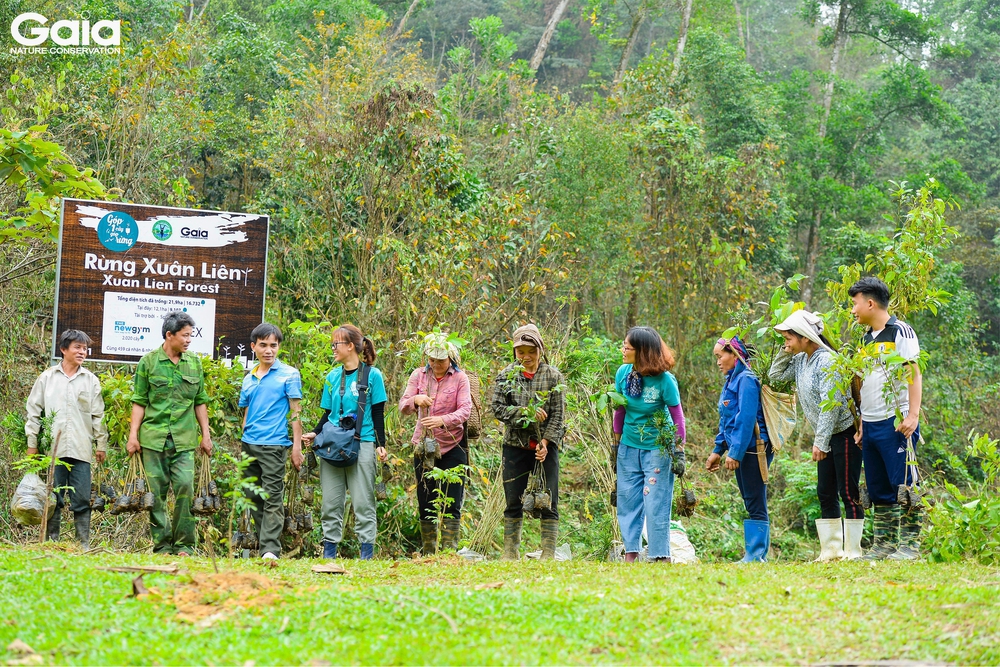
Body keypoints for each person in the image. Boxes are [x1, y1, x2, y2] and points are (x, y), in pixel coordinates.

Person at [769, 310, 862, 560]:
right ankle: (831, 551)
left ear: (806, 337)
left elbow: (830, 405)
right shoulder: (801, 361)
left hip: (843, 434)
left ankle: (853, 551)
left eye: (789, 337)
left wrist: (820, 443)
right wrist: (784, 351)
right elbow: (774, 376)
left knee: (848, 492)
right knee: (825, 490)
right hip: (827, 436)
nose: (786, 342)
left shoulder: (827, 361)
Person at [849, 277, 924, 560]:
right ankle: (883, 544)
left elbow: (913, 372)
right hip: (870, 423)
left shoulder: (900, 332)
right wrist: (860, 425)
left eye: (855, 304)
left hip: (897, 421)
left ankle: (910, 546)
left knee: (904, 482)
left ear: (870, 302)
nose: (853, 310)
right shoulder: (865, 339)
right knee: (879, 486)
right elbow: (863, 382)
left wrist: (913, 414)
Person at [127, 312, 213, 556]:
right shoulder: (149, 362)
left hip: (184, 440)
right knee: (156, 495)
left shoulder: (194, 363)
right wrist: (133, 436)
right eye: (185, 335)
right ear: (169, 335)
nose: (189, 340)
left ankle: (184, 545)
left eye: (191, 335)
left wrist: (205, 435)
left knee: (185, 487)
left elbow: (200, 401)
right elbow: (139, 401)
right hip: (153, 439)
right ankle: (163, 545)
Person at [302, 324, 388, 560]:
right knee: (331, 502)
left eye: (336, 344)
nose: (333, 348)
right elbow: (327, 414)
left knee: (363, 502)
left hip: (363, 442)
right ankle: (329, 553)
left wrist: (381, 444)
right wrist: (314, 433)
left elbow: (378, 412)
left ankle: (366, 554)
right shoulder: (332, 377)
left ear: (350, 346)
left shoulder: (373, 376)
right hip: (332, 443)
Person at [25, 330, 109, 549]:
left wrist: (101, 444)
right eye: (77, 347)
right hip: (54, 449)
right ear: (63, 349)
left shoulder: (90, 380)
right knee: (54, 496)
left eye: (84, 348)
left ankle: (83, 544)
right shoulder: (47, 378)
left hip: (81, 448)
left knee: (81, 497)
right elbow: (33, 412)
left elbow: (98, 415)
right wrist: (32, 444)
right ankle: (52, 541)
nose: (82, 352)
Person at [490, 324, 565, 560]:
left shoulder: (553, 376)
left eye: (530, 351)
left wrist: (545, 442)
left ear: (540, 350)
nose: (526, 357)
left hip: (546, 448)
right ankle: (510, 552)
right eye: (520, 351)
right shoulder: (506, 376)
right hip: (515, 446)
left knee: (549, 498)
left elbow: (558, 415)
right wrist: (525, 412)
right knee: (513, 499)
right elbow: (498, 409)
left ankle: (548, 553)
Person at [612, 326, 686, 563]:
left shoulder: (664, 381)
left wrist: (678, 451)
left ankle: (659, 555)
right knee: (628, 500)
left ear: (642, 351)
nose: (623, 350)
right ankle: (631, 553)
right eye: (624, 345)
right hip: (629, 445)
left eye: (628, 347)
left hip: (657, 448)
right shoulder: (623, 374)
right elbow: (620, 410)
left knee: (655, 500)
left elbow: (678, 418)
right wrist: (616, 445)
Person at [399, 332, 472, 554]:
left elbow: (465, 410)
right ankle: (429, 550)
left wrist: (443, 420)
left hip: (453, 444)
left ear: (450, 358)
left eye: (441, 360)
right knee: (426, 499)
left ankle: (449, 550)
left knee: (452, 500)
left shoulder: (460, 378)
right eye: (432, 360)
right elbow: (402, 406)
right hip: (423, 445)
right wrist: (415, 400)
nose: (436, 364)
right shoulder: (418, 375)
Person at [239, 323, 304, 560]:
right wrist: (244, 434)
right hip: (249, 444)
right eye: (263, 345)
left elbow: (295, 412)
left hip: (275, 444)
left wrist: (296, 447)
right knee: (252, 495)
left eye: (273, 345)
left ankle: (269, 550)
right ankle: (264, 542)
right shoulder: (250, 377)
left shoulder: (289, 374)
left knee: (272, 496)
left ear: (279, 347)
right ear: (253, 347)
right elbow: (246, 411)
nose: (269, 350)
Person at [707, 336, 772, 562]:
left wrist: (735, 453)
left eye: (720, 356)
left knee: (755, 499)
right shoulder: (731, 381)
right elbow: (727, 420)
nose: (718, 361)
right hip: (742, 447)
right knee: (749, 498)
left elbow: (745, 419)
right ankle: (754, 554)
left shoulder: (746, 379)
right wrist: (718, 449)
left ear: (735, 355)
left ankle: (756, 555)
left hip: (754, 447)